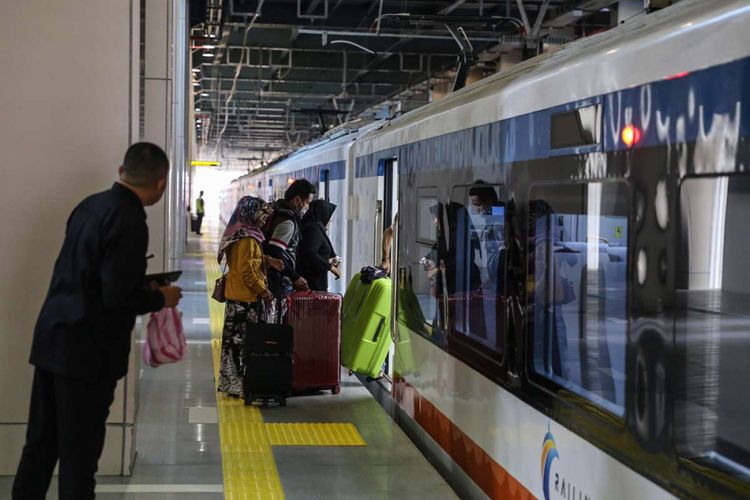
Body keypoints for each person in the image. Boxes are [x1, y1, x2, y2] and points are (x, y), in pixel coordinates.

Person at [12, 142, 183, 500]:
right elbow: (115, 297)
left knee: (40, 445)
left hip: (52, 340)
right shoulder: (131, 219)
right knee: (79, 458)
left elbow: (90, 275)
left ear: (122, 171)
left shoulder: (89, 206)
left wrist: (139, 284)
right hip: (87, 355)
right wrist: (159, 297)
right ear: (161, 183)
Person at [217, 196, 280, 398]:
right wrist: (264, 291)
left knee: (236, 343)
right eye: (260, 214)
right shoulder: (246, 238)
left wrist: (267, 260)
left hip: (239, 296)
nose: (263, 219)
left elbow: (249, 261)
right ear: (250, 213)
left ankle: (234, 382)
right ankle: (235, 384)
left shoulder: (244, 234)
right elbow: (246, 270)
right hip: (243, 299)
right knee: (238, 344)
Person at [264, 179, 316, 298]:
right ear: (297, 200)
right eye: (307, 202)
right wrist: (295, 277)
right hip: (278, 281)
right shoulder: (288, 222)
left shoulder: (277, 211)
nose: (307, 207)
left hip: (272, 278)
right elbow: (276, 251)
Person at [298, 200, 340, 291]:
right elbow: (310, 253)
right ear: (323, 214)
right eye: (329, 216)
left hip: (312, 281)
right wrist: (331, 268)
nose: (329, 220)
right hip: (313, 284)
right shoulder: (314, 229)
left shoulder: (313, 227)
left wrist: (328, 260)